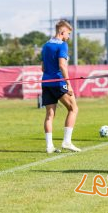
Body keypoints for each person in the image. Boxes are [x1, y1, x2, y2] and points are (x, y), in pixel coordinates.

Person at [41, 20, 81, 153]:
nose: (68, 37)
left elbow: (42, 67)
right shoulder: (62, 45)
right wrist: (68, 84)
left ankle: (49, 146)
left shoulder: (46, 45)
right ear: (62, 32)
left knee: (49, 115)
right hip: (59, 82)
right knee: (73, 108)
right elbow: (62, 65)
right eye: (68, 33)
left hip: (46, 82)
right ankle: (67, 142)